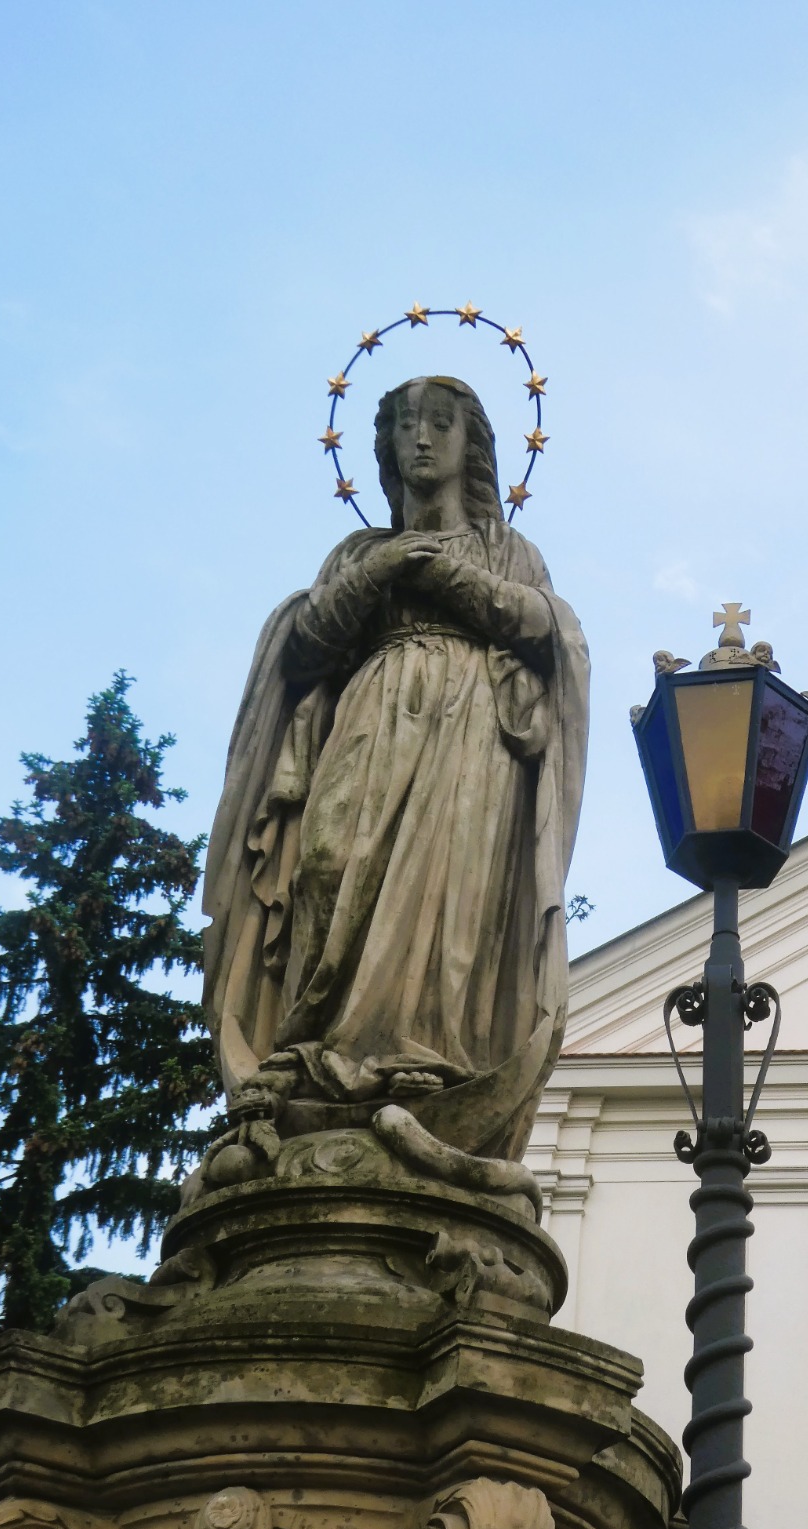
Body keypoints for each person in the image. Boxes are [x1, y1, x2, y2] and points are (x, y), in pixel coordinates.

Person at [203, 376, 590, 1161]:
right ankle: (310, 1045)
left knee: (451, 891)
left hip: (471, 731)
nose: (421, 438)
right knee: (326, 863)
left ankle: (425, 1050)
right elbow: (305, 649)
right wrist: (377, 574)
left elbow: (548, 629)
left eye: (440, 424)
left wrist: (447, 578)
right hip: (371, 713)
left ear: (469, 446)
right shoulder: (356, 553)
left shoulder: (507, 550)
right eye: (407, 425)